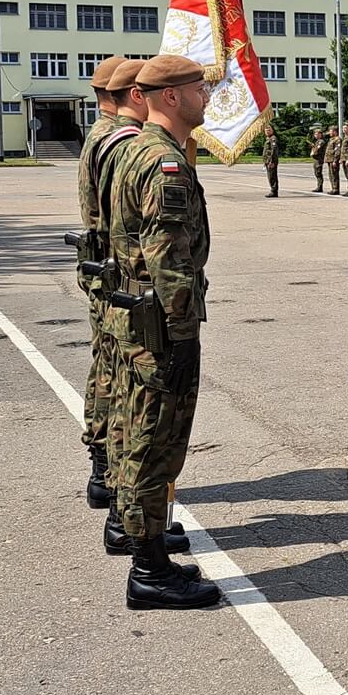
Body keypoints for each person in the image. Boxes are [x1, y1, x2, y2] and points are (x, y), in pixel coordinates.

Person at [107, 54, 220, 611]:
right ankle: (149, 571)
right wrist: (180, 331)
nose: (207, 96)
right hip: (160, 321)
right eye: (199, 88)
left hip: (139, 315)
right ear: (170, 97)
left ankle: (143, 547)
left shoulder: (136, 149)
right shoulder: (162, 163)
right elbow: (167, 255)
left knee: (138, 433)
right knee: (155, 440)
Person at [76, 55, 127, 508]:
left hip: (100, 268)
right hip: (114, 270)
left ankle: (102, 466)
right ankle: (108, 468)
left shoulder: (98, 134)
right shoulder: (115, 140)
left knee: (104, 365)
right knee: (114, 371)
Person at [261, 124, 280, 197]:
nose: (267, 131)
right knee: (270, 176)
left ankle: (274, 191)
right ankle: (273, 190)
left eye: (269, 129)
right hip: (268, 161)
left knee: (272, 176)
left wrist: (271, 161)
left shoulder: (273, 139)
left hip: (271, 161)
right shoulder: (268, 139)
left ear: (272, 130)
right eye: (266, 130)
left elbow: (274, 150)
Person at [310, 127, 328, 193]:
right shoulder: (317, 141)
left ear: (320, 134)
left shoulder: (321, 141)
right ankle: (318, 186)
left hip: (319, 159)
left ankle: (320, 187)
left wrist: (313, 150)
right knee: (316, 173)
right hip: (316, 159)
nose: (315, 135)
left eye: (317, 134)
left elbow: (318, 150)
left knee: (318, 172)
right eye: (315, 134)